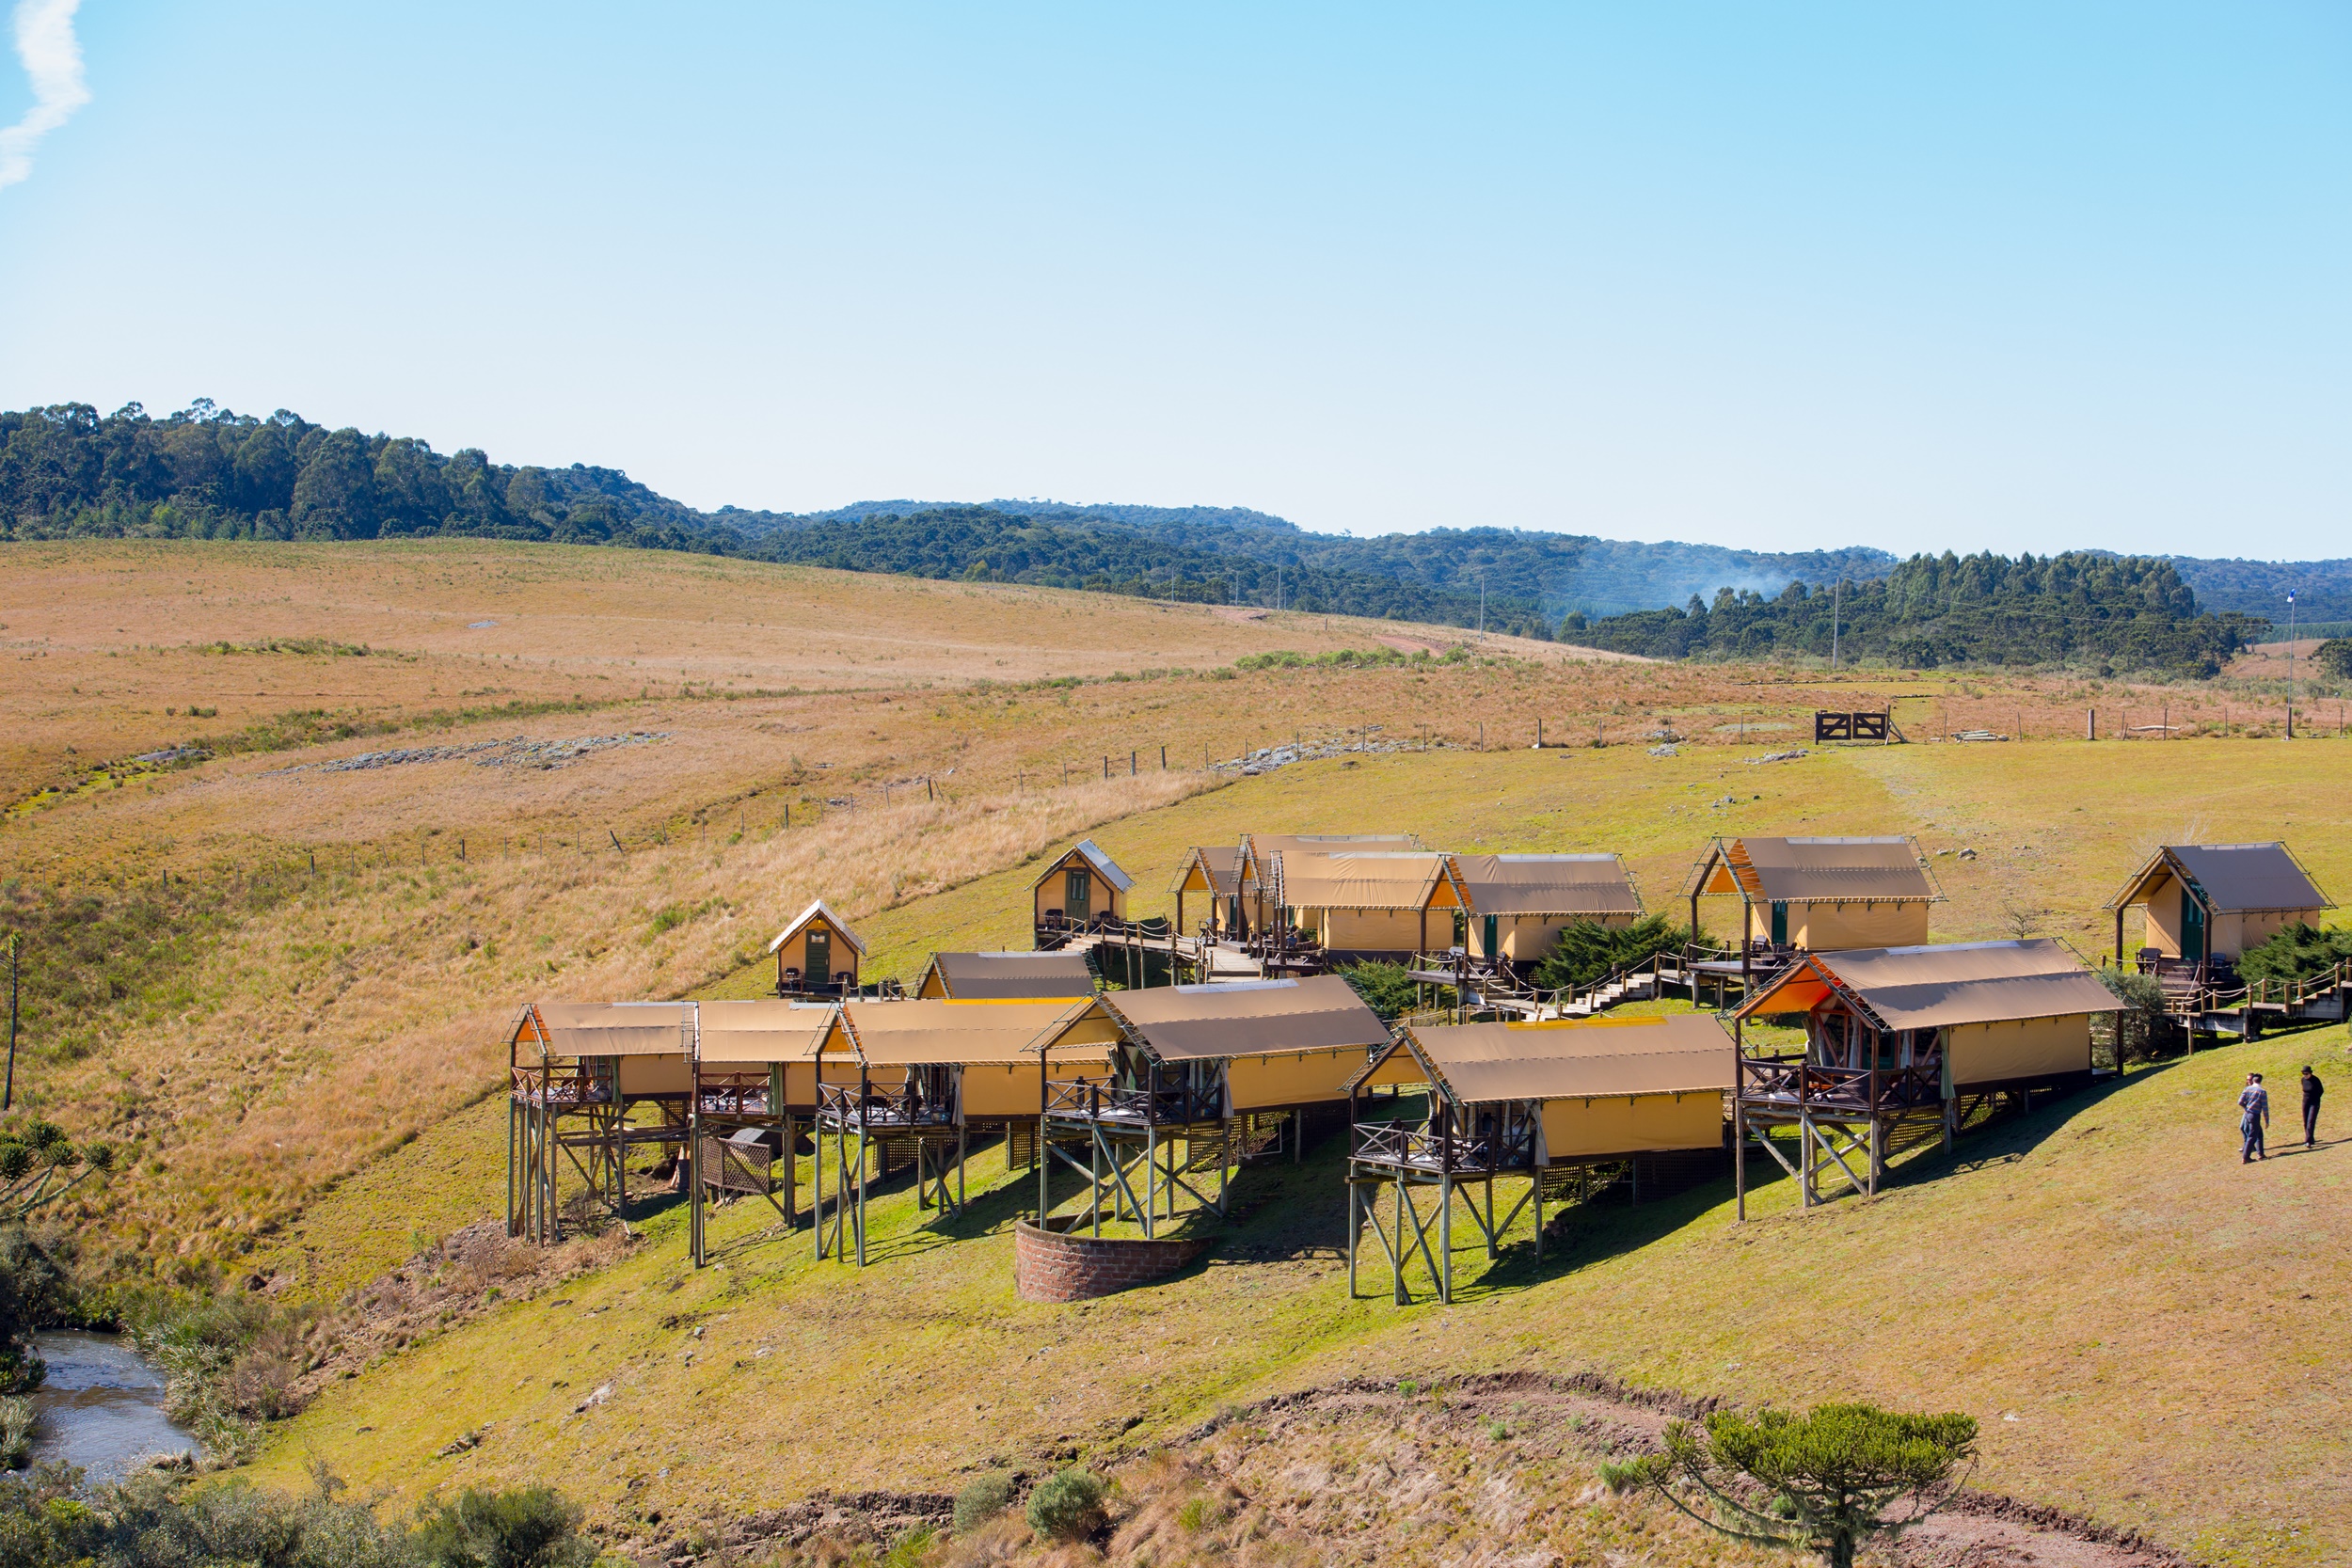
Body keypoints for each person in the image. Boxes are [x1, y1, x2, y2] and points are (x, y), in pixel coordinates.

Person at [2239, 1072, 2270, 1163]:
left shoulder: (2247, 1089)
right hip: (2255, 1115)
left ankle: (2261, 1154)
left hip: (2247, 1114)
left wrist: (2247, 1107)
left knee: (2259, 1133)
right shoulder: (2262, 1092)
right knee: (2252, 1136)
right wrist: (2267, 1120)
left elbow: (2240, 1102)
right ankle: (2246, 1157)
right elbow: (2265, 1107)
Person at [2302, 1065, 2325, 1149]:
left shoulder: (2316, 1080)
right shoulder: (2303, 1080)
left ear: (2310, 1073)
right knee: (2305, 1120)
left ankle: (2308, 1141)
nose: (2305, 1075)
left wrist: (2316, 1098)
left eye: (2307, 1073)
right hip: (2305, 1102)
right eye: (2304, 1074)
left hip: (2314, 1103)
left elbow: (2321, 1090)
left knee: (2311, 1121)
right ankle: (2310, 1138)